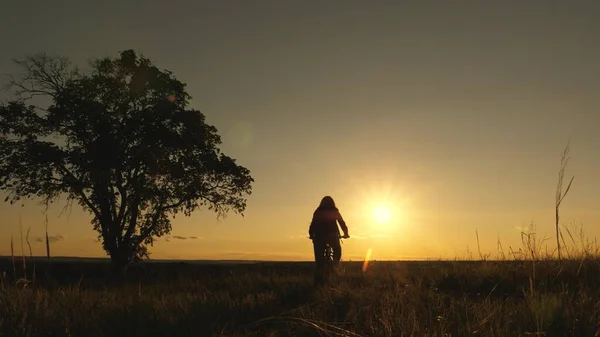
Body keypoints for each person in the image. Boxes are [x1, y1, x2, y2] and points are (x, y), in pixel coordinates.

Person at [308, 196, 349, 284]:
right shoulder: (334, 211)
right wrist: (346, 233)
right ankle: (335, 263)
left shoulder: (318, 211)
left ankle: (319, 279)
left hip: (319, 236)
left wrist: (311, 235)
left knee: (319, 261)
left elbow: (313, 224)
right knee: (337, 249)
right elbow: (341, 222)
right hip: (332, 234)